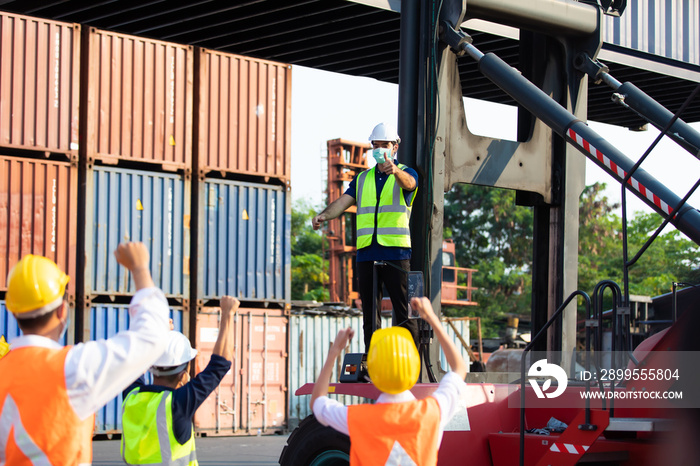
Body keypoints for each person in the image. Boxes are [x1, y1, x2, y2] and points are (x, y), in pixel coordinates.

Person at [0, 242, 170, 465]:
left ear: (14, 312)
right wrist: (139, 269)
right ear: (62, 311)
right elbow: (152, 337)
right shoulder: (72, 369)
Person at [311, 296, 468, 466]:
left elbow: (317, 403)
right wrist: (431, 317)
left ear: (372, 373)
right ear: (414, 367)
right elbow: (459, 368)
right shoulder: (432, 412)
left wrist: (334, 352)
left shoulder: (358, 418)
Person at [312, 121, 419, 350]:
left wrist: (395, 169)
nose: (379, 149)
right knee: (370, 314)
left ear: (395, 147)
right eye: (376, 145)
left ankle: (411, 363)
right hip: (367, 253)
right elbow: (343, 201)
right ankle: (373, 362)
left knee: (402, 312)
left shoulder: (406, 173)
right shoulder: (362, 179)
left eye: (384, 145)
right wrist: (324, 215)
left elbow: (410, 184)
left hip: (396, 251)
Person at [120, 295, 239, 465]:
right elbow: (220, 365)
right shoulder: (177, 404)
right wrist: (228, 314)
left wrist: (161, 335)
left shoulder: (131, 397)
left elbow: (135, 358)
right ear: (183, 375)